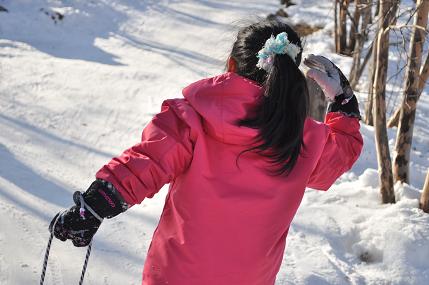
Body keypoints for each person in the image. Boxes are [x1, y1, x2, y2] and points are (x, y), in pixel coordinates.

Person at [49, 19, 363, 285]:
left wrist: (93, 207)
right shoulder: (304, 139)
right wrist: (344, 103)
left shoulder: (192, 116)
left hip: (175, 273)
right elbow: (341, 155)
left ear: (231, 64)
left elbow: (148, 161)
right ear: (289, 71)